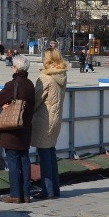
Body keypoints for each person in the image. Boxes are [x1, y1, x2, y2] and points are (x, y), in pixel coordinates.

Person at [0, 54, 36, 203]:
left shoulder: (12, 84)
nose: (12, 68)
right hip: (25, 128)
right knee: (25, 161)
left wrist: (4, 104)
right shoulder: (30, 84)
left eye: (13, 66)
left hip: (12, 130)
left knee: (13, 162)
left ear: (16, 68)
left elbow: (0, 97)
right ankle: (26, 194)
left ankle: (15, 194)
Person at [31, 48, 67, 200]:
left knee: (45, 155)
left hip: (44, 120)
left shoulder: (45, 77)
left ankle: (48, 190)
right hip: (56, 119)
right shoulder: (61, 75)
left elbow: (35, 100)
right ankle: (55, 189)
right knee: (51, 153)